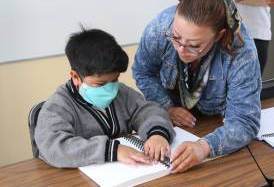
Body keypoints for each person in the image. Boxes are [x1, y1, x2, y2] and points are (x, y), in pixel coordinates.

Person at [132, 0, 261, 173]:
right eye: (175, 38)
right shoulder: (160, 27)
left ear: (219, 36)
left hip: (214, 122)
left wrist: (204, 147)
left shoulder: (241, 51)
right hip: (170, 120)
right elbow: (143, 71)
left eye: (194, 45)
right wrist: (166, 107)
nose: (181, 50)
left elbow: (244, 121)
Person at [34, 28, 175, 168]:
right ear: (76, 77)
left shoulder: (122, 93)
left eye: (115, 80)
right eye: (100, 84)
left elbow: (148, 111)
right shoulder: (58, 106)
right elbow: (54, 148)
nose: (110, 88)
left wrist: (157, 133)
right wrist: (112, 150)